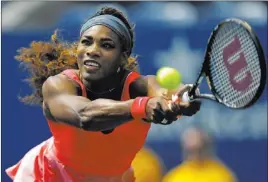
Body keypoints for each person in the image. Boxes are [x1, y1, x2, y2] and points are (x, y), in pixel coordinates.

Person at [6, 7, 201, 182]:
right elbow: (85, 115)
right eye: (86, 42)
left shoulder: (139, 85)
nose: (93, 51)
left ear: (123, 56)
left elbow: (163, 89)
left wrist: (181, 97)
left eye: (106, 45)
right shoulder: (58, 85)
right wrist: (143, 106)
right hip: (49, 177)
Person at [162, 127, 237, 182]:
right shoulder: (174, 177)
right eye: (190, 151)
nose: (194, 156)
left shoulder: (221, 175)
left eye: (199, 150)